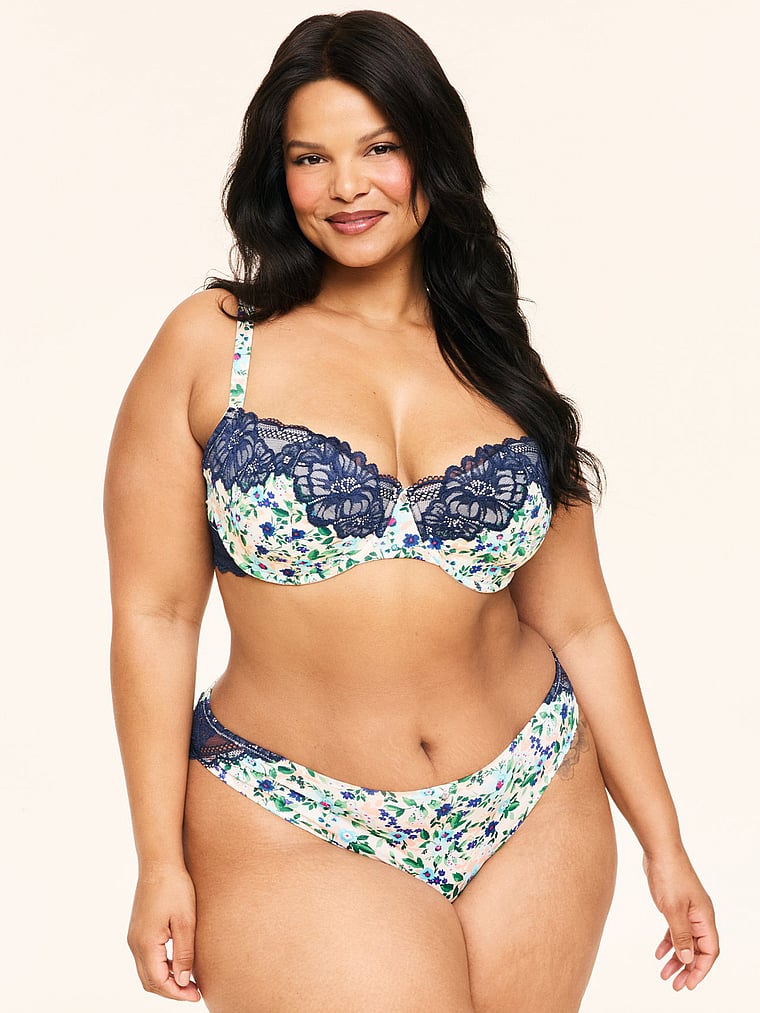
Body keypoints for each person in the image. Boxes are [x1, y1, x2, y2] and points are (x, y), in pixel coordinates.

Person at [104, 10, 719, 1012]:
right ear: (277, 175)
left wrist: (666, 842)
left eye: (379, 148)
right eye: (310, 158)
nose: (347, 186)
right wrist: (157, 859)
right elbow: (155, 614)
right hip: (289, 812)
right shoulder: (212, 344)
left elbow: (581, 622)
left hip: (531, 793)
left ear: (431, 154)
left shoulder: (496, 354)